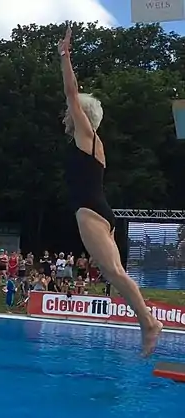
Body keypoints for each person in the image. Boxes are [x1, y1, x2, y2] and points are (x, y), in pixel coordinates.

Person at [58, 26, 162, 356]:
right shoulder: (92, 144)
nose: (65, 116)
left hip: (90, 211)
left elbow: (71, 94)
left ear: (83, 117)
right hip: (99, 211)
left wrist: (64, 56)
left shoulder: (87, 137)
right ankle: (146, 321)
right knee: (113, 272)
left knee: (113, 272)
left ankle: (148, 322)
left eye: (70, 113)